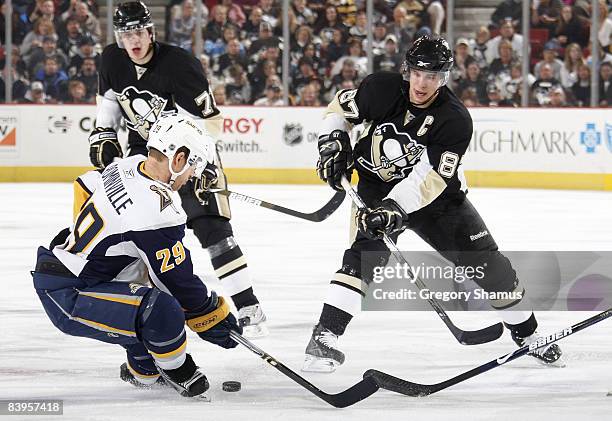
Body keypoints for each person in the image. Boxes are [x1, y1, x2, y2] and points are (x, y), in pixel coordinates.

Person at [302, 35, 563, 373]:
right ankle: (324, 336)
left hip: (438, 200)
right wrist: (334, 141)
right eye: (418, 73)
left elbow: (430, 178)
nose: (423, 83)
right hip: (375, 188)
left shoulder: (455, 119)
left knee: (490, 267)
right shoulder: (379, 88)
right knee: (362, 259)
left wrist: (395, 207)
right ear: (407, 70)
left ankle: (528, 335)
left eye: (433, 76)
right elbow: (339, 110)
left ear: (444, 78)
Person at [88, 1, 267, 337]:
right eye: (127, 33)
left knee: (213, 231)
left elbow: (210, 123)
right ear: (118, 36)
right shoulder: (112, 58)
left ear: (151, 31)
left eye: (139, 31)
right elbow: (110, 97)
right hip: (146, 154)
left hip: (188, 151)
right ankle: (144, 319)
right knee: (141, 235)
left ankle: (249, 308)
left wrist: (200, 165)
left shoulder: (181, 65)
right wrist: (104, 131)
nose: (134, 39)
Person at [33, 114, 242, 397]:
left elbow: (85, 183)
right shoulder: (158, 212)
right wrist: (209, 315)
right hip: (70, 296)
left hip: (64, 270)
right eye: (192, 165)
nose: (192, 174)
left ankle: (144, 370)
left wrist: (86, 247)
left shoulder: (126, 165)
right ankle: (177, 371)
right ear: (177, 159)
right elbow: (177, 281)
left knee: (141, 282)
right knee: (161, 308)